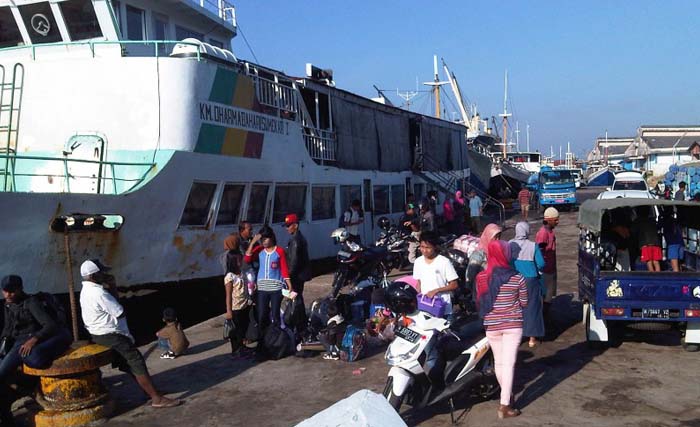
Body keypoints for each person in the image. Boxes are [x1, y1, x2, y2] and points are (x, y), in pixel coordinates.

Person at [79, 259, 180, 408]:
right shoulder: (98, 292)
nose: (106, 274)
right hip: (111, 334)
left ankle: (150, 392)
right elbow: (119, 312)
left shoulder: (86, 290)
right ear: (94, 276)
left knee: (130, 365)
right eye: (102, 273)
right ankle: (156, 398)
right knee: (136, 361)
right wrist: (112, 287)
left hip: (98, 333)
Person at [0, 275, 72, 426]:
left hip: (30, 338)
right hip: (17, 342)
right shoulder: (8, 304)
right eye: (5, 291)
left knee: (31, 361)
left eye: (11, 292)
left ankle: (29, 388)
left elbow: (49, 325)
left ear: (20, 289)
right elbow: (7, 329)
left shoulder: (31, 303)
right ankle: (12, 406)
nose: (7, 295)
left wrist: (34, 339)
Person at [476, 240, 528, 419]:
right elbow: (524, 302)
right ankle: (504, 405)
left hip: (491, 325)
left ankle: (506, 394)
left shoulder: (481, 277)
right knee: (509, 363)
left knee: (499, 362)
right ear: (505, 254)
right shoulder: (517, 277)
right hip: (513, 324)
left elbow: (480, 301)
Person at [244, 227, 294, 333]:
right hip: (262, 288)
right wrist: (253, 243)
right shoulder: (260, 251)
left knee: (275, 314)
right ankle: (263, 339)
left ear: (271, 238)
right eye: (262, 239)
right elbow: (247, 259)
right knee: (262, 314)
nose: (264, 241)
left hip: (276, 288)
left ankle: (276, 338)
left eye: (266, 239)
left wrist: (289, 284)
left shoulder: (279, 251)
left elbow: (284, 268)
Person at [509, 222, 545, 347]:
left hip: (513, 279)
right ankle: (532, 338)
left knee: (515, 308)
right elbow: (541, 263)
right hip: (530, 281)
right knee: (532, 307)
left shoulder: (509, 244)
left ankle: (516, 337)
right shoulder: (533, 245)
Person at [412, 231, 459, 318]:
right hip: (425, 307)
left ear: (435, 247)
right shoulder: (418, 262)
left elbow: (454, 285)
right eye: (422, 247)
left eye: (428, 247)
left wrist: (436, 291)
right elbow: (419, 283)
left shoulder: (444, 262)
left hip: (443, 308)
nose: (424, 250)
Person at [222, 234, 254, 359]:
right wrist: (228, 311)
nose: (241, 262)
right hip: (235, 307)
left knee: (244, 326)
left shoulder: (241, 274)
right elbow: (228, 295)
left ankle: (242, 346)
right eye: (239, 261)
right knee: (236, 330)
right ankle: (236, 349)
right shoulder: (230, 277)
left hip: (244, 304)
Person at [466, 224, 503, 301]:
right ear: (488, 237)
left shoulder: (498, 251)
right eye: (495, 237)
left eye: (499, 237)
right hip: (482, 292)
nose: (497, 240)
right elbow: (470, 274)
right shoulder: (478, 254)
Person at [536, 207, 559, 327]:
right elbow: (539, 251)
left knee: (548, 297)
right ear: (549, 220)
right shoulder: (543, 233)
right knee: (546, 298)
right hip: (545, 271)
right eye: (555, 220)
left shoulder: (550, 232)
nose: (557, 222)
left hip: (550, 269)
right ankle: (543, 322)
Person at [284, 213, 312, 306]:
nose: (287, 228)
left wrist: (288, 276)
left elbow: (294, 261)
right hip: (299, 274)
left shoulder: (295, 240)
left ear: (295, 225)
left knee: (295, 297)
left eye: (288, 226)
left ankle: (297, 318)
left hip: (296, 276)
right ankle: (299, 317)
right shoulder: (298, 238)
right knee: (297, 297)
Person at [637, 208, 661, 272]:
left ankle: (652, 277)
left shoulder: (639, 221)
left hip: (645, 244)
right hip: (656, 243)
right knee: (656, 262)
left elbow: (634, 231)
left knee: (649, 262)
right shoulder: (652, 220)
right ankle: (659, 277)